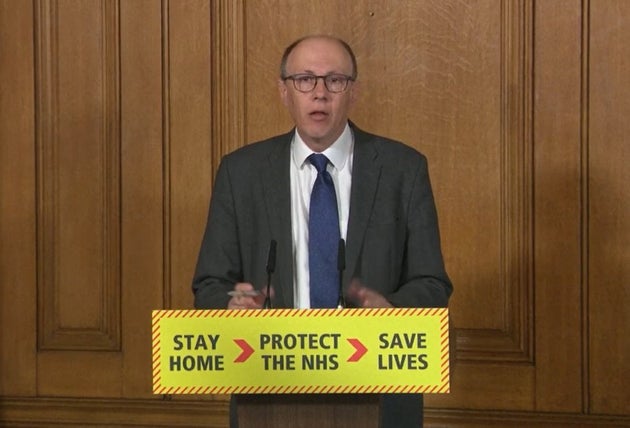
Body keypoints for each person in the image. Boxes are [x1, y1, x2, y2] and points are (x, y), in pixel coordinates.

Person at [192, 34, 452, 428]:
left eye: (334, 80)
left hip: (378, 388)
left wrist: (392, 311)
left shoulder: (403, 169)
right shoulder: (241, 172)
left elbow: (432, 283)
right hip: (268, 390)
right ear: (284, 92)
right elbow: (210, 283)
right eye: (304, 80)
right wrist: (232, 305)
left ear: (353, 92)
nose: (320, 94)